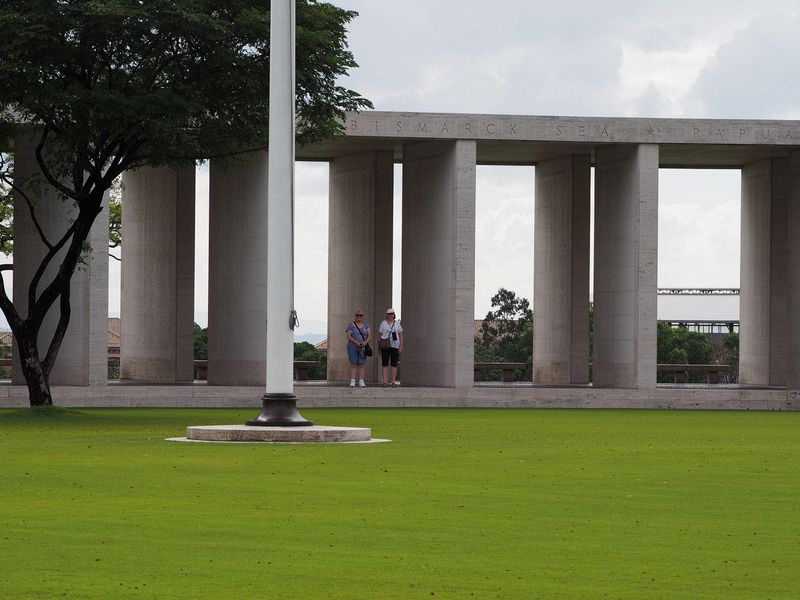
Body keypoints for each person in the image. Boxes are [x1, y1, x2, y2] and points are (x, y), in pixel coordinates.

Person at [378, 308, 403, 387]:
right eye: (389, 314)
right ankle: (385, 382)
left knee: (394, 364)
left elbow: (401, 335)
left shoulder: (397, 324)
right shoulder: (383, 323)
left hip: (395, 346)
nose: (390, 315)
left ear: (394, 315)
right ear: (387, 315)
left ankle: (393, 382)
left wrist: (401, 346)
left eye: (392, 314)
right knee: (384, 364)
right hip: (385, 345)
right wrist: (379, 347)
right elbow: (379, 335)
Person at [345, 310, 371, 387]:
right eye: (357, 315)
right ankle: (352, 381)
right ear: (355, 316)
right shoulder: (351, 325)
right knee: (353, 363)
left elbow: (369, 335)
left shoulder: (366, 325)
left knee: (361, 364)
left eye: (361, 315)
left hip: (362, 347)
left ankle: (361, 381)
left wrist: (366, 342)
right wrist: (356, 342)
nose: (359, 317)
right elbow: (348, 336)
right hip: (352, 347)